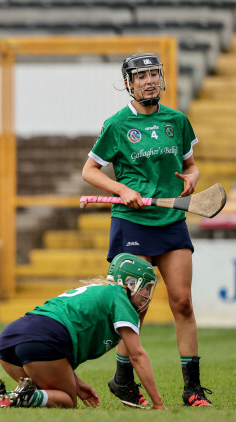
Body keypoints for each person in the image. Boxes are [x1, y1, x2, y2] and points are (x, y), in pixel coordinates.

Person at [81, 53, 212, 407]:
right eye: (141, 76)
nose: (150, 80)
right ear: (129, 84)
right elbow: (89, 171)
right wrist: (123, 191)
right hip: (132, 223)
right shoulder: (117, 124)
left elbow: (191, 164)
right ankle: (123, 380)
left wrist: (192, 178)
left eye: (154, 74)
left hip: (171, 221)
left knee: (182, 302)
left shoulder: (177, 120)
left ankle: (193, 389)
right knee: (134, 308)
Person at [0, 253, 165, 409]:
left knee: (46, 392)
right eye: (147, 288)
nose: (148, 296)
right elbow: (137, 355)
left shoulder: (99, 291)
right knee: (67, 400)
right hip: (43, 338)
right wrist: (158, 403)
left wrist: (77, 383)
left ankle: (4, 396)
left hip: (9, 339)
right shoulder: (120, 296)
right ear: (131, 283)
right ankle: (24, 396)